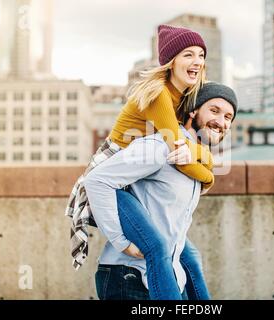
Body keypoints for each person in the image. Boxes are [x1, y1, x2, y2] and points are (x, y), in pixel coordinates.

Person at [65, 24, 220, 299]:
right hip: (113, 179)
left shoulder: (182, 99)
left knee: (188, 255)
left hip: (132, 176)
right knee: (157, 247)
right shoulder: (160, 94)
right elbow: (179, 154)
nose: (197, 61)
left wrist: (202, 157)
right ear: (171, 62)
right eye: (188, 54)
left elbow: (186, 150)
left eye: (200, 54)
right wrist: (209, 175)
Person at [84, 81, 238, 300]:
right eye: (214, 111)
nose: (220, 121)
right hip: (129, 279)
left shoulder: (195, 161)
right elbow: (97, 180)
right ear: (193, 111)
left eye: (228, 117)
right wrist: (121, 241)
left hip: (172, 277)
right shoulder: (161, 146)